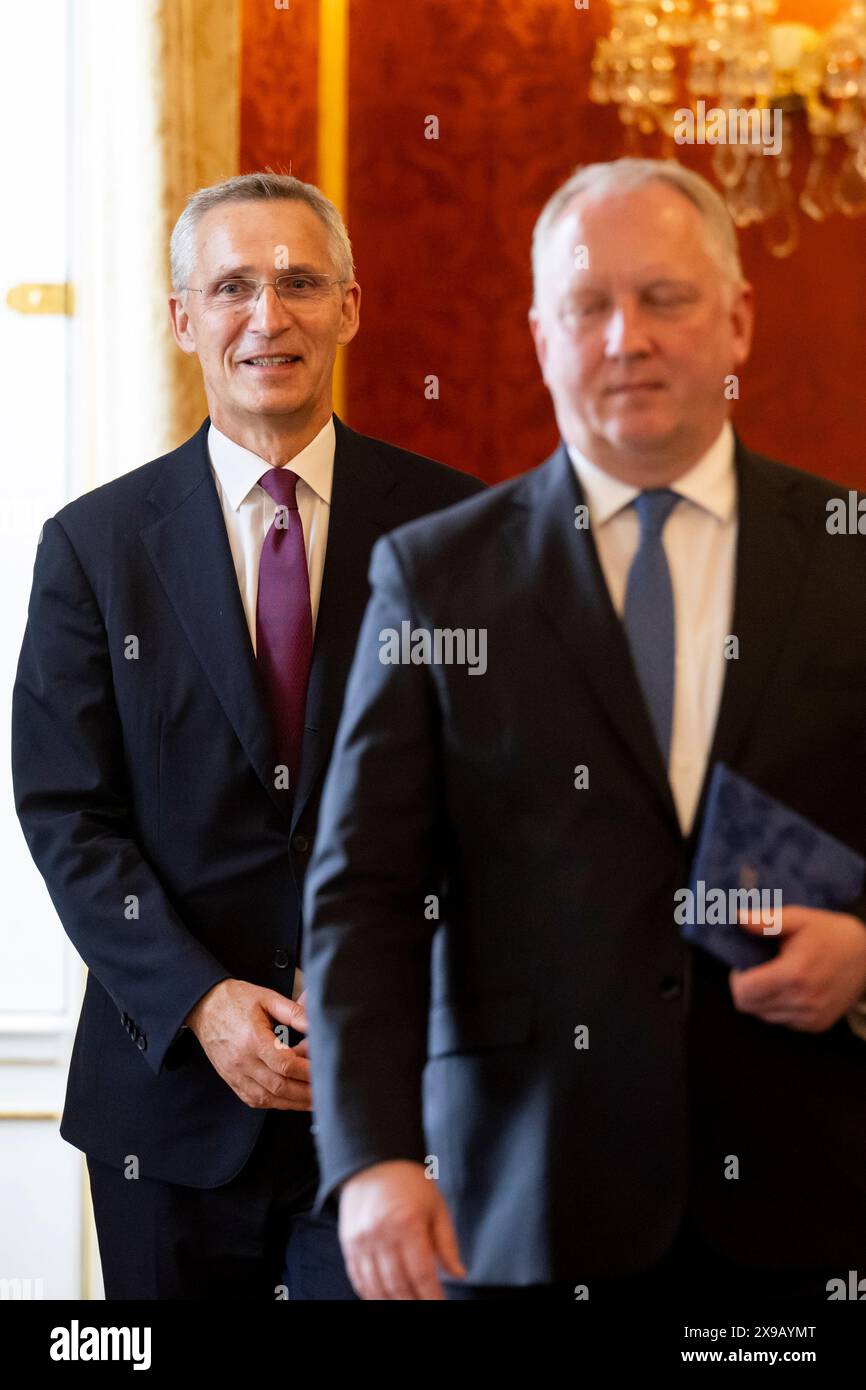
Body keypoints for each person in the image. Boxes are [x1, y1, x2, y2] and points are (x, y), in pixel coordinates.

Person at [302, 158, 866, 1301]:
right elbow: (362, 888)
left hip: (817, 1184)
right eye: (587, 306)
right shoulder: (434, 577)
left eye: (663, 299)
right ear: (540, 333)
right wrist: (367, 1155)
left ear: (736, 321)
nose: (626, 338)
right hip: (522, 1192)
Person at [11, 171, 483, 1300]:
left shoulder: (460, 533)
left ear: (349, 307)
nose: (266, 315)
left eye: (299, 282)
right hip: (166, 1106)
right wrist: (201, 1001)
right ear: (182, 318)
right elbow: (67, 813)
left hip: (393, 1104)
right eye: (230, 286)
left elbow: (500, 810)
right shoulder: (94, 546)